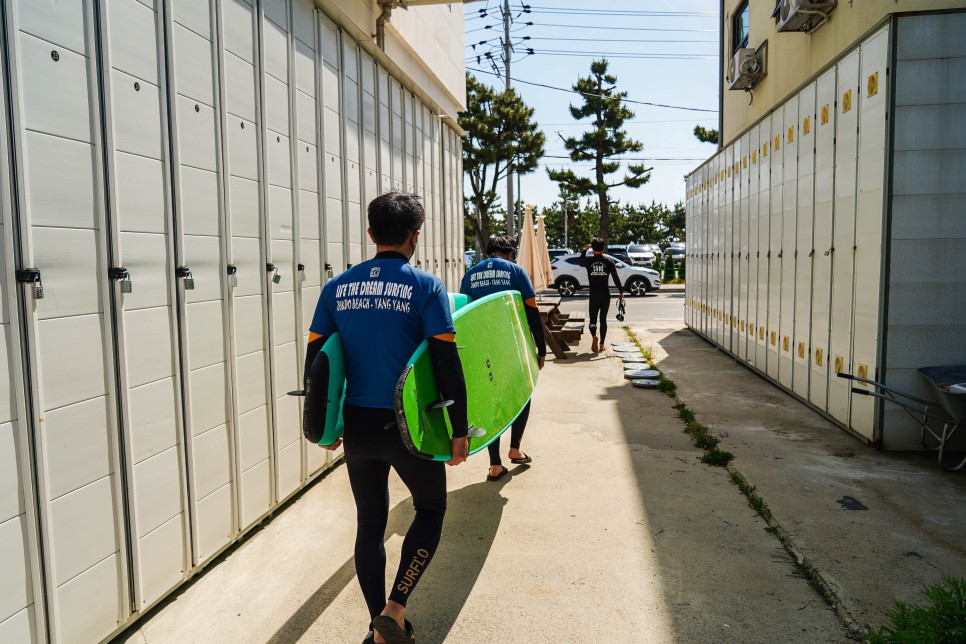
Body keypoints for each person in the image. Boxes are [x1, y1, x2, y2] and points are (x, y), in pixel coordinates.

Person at [306, 192, 468, 644]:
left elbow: (318, 359)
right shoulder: (426, 286)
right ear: (415, 235)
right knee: (431, 508)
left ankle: (377, 627)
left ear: (371, 233)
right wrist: (459, 430)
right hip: (409, 425)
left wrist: (323, 425)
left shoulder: (336, 287)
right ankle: (395, 609)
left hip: (358, 424)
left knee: (370, 521)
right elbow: (445, 362)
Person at [459, 235, 547, 482]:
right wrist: (541, 350)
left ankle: (494, 465)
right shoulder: (516, 272)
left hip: (484, 348)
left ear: (489, 252)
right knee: (523, 393)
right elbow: (532, 311)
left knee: (492, 401)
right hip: (514, 344)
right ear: (511, 252)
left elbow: (465, 313)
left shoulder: (470, 275)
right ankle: (515, 448)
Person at [579, 238, 624, 353]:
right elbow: (615, 277)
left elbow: (580, 262)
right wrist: (621, 291)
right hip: (605, 294)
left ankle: (594, 336)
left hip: (594, 294)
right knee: (603, 320)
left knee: (592, 321)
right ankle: (601, 345)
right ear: (603, 248)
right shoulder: (609, 262)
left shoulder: (588, 261)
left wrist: (585, 250)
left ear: (593, 248)